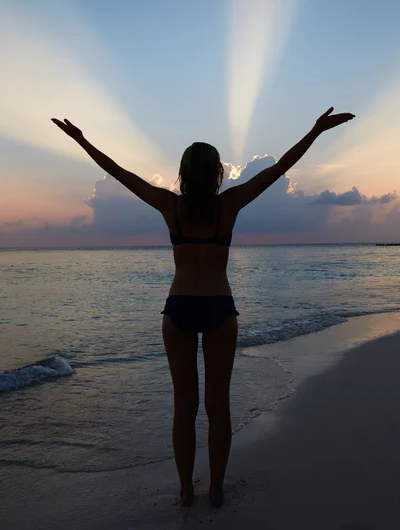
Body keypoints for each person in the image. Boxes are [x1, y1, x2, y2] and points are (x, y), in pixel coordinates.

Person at [51, 107, 355, 507]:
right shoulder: (228, 205)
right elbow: (279, 168)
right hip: (219, 309)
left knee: (185, 407)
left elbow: (122, 175)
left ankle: (185, 489)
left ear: (182, 172)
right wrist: (315, 130)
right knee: (218, 407)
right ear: (216, 173)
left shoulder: (169, 206)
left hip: (177, 310)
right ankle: (214, 489)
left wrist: (82, 140)